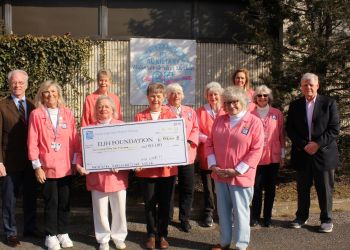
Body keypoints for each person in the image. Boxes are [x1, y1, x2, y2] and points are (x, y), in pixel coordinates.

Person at [206, 86, 264, 250]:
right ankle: (224, 242)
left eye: (235, 102)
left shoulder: (254, 122)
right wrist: (213, 164)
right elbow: (209, 144)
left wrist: (238, 170)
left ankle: (241, 245)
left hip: (241, 176)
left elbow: (256, 149)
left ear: (243, 102)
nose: (231, 106)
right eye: (228, 102)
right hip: (220, 174)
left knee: (240, 213)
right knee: (223, 213)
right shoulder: (219, 120)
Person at [286, 73, 340, 233]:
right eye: (304, 85)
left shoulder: (329, 103)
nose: (308, 87)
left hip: (323, 154)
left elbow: (334, 129)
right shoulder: (295, 105)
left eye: (311, 84)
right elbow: (290, 129)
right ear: (301, 87)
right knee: (302, 188)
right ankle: (301, 217)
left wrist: (317, 144)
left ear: (317, 85)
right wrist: (304, 145)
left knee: (325, 189)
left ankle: (326, 219)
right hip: (303, 153)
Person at [27, 80, 77, 250]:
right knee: (51, 202)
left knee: (65, 202)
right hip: (47, 167)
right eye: (47, 92)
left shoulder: (68, 113)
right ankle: (50, 235)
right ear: (42, 94)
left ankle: (63, 232)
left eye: (54, 91)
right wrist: (37, 167)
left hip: (66, 166)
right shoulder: (36, 114)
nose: (50, 95)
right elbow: (32, 142)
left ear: (59, 94)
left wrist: (76, 162)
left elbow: (75, 139)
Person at [76, 96, 128, 250]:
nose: (103, 109)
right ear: (95, 110)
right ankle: (103, 239)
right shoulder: (88, 130)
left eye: (106, 106)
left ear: (113, 109)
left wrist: (124, 162)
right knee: (100, 210)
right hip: (97, 177)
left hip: (117, 176)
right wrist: (79, 166)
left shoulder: (122, 127)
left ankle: (118, 237)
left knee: (119, 209)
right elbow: (80, 152)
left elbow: (129, 150)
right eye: (100, 106)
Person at [134, 83, 177, 250]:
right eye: (153, 95)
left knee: (166, 204)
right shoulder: (140, 116)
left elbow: (174, 142)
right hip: (147, 171)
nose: (156, 99)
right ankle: (151, 234)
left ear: (164, 97)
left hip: (167, 169)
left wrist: (173, 156)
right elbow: (136, 143)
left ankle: (163, 235)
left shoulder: (171, 116)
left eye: (159, 96)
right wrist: (136, 162)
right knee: (149, 204)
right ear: (147, 97)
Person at [0, 69, 38, 247]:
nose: (17, 85)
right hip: (9, 161)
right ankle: (10, 232)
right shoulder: (1, 106)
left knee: (31, 196)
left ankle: (30, 228)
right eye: (14, 82)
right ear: (9, 84)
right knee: (9, 198)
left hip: (31, 160)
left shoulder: (32, 105)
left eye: (21, 83)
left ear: (26, 85)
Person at [250, 85, 285, 227]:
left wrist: (282, 154)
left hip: (273, 157)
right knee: (256, 188)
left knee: (270, 188)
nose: (262, 98)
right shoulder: (250, 114)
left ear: (269, 97)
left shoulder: (277, 113)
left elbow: (281, 134)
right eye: (259, 95)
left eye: (265, 95)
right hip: (256, 158)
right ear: (255, 98)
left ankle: (268, 217)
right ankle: (255, 217)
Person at [166, 83, 199, 233]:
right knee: (169, 188)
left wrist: (189, 141)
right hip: (169, 157)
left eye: (178, 93)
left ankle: (184, 218)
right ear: (167, 96)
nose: (176, 95)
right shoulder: (163, 111)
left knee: (187, 188)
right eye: (172, 93)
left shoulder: (190, 111)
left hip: (187, 155)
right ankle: (167, 217)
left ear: (183, 95)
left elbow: (196, 128)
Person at [196, 81, 225, 227]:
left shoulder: (226, 110)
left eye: (215, 94)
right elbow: (196, 130)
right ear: (206, 96)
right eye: (210, 94)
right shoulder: (200, 111)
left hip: (224, 156)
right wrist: (207, 139)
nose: (213, 97)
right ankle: (208, 212)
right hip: (206, 154)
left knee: (222, 185)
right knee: (208, 186)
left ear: (220, 95)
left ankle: (224, 212)